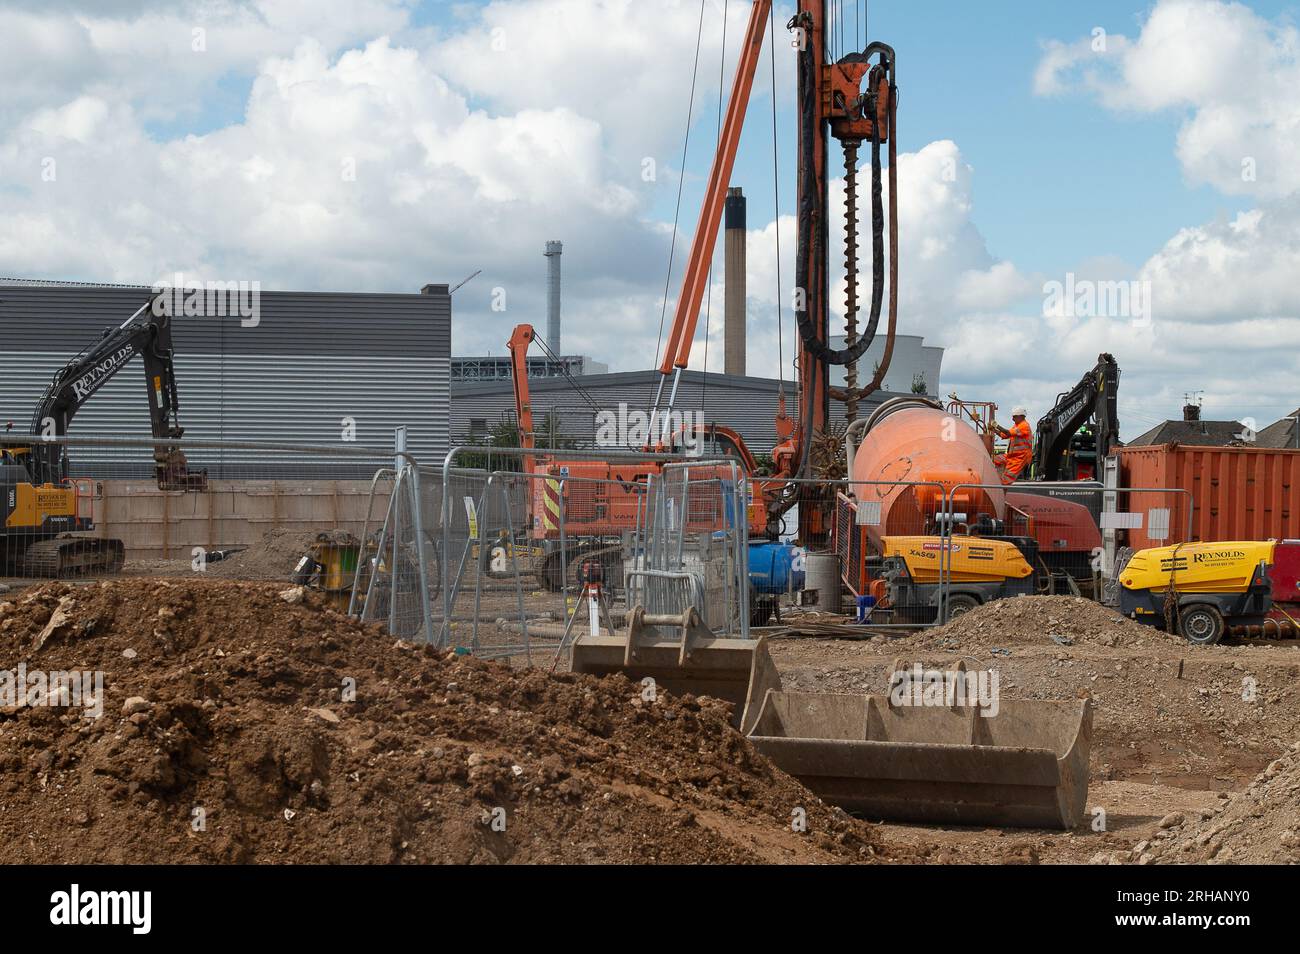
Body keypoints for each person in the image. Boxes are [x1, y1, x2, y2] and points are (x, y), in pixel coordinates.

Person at [992, 406, 1033, 484]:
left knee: (1006, 480)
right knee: (995, 460)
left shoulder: (1024, 426)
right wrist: (993, 430)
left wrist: (996, 426)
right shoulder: (1016, 426)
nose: (1012, 419)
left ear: (1021, 416)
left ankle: (1002, 488)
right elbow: (1004, 435)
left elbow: (1008, 433)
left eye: (1014, 417)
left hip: (1020, 458)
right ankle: (997, 479)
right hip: (1012, 456)